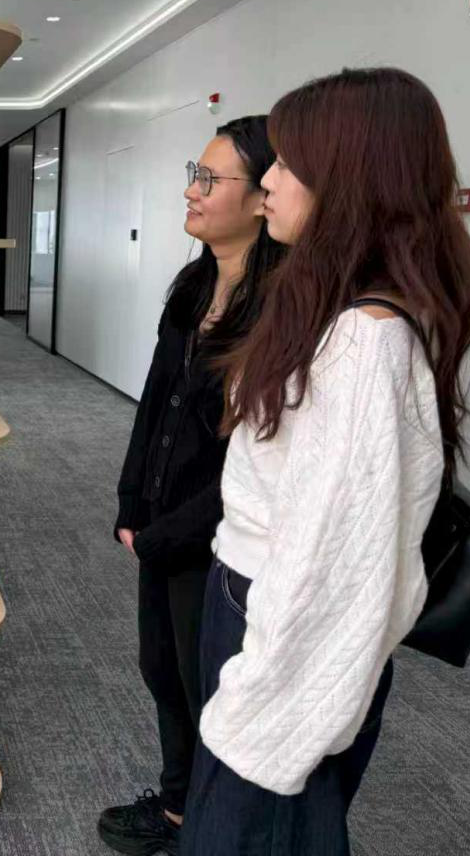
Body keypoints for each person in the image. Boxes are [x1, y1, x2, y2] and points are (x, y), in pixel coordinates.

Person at [180, 68, 470, 855]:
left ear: (350, 182)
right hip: (259, 607)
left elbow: (337, 567)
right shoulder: (339, 310)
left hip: (282, 635)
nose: (268, 183)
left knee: (255, 831)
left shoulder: (362, 343)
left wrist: (261, 703)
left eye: (288, 164)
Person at [100, 117, 286, 856]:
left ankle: (210, 827)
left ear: (263, 197)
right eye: (194, 174)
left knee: (211, 685)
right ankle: (180, 808)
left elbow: (257, 459)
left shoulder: (281, 308)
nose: (192, 191)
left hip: (220, 539)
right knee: (162, 669)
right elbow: (156, 402)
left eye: (210, 179)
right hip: (161, 523)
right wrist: (132, 501)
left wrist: (171, 531)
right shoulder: (194, 283)